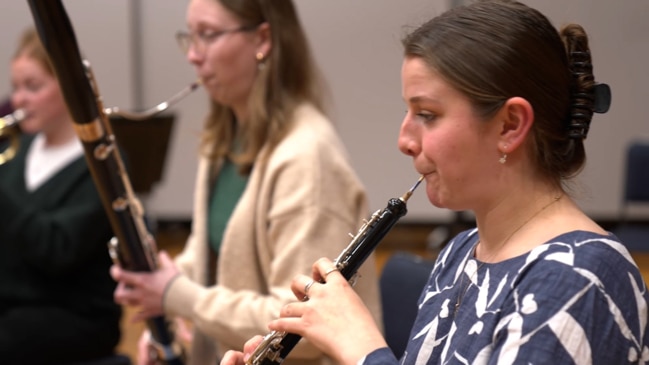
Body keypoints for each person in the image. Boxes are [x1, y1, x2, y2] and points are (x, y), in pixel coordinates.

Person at [221, 1, 649, 364]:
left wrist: (362, 347)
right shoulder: (461, 253)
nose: (404, 140)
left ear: (510, 125)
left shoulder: (581, 277)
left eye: (427, 114)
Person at [110, 0, 381, 364]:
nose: (192, 54)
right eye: (189, 37)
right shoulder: (225, 137)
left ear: (263, 39)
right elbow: (207, 255)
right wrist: (167, 303)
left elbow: (306, 324)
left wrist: (179, 295)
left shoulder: (309, 158)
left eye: (207, 35)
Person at [0, 27, 122, 364]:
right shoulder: (15, 150)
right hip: (13, 308)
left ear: (67, 85)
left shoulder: (100, 163)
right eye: (16, 87)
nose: (19, 99)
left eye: (33, 87)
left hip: (74, 315)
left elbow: (58, 249)